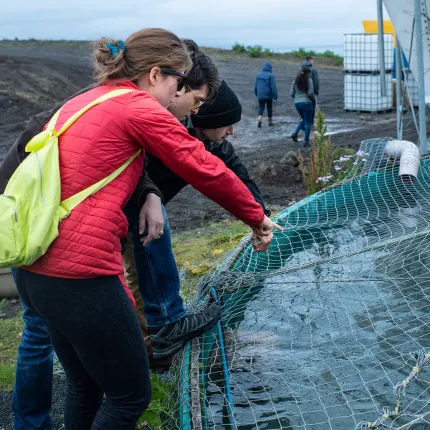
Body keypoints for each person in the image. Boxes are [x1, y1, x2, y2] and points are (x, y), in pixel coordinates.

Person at [6, 28, 279, 430]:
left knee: (85, 385)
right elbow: (203, 167)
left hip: (36, 271)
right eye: (178, 83)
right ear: (155, 74)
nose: (177, 94)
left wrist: (149, 193)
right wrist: (257, 217)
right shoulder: (138, 107)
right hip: (80, 275)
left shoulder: (85, 101)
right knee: (131, 396)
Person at [127, 79, 272, 362]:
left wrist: (260, 216)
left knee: (147, 272)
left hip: (151, 207)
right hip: (134, 207)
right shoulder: (174, 134)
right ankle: (152, 352)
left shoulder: (215, 143)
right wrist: (150, 195)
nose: (232, 131)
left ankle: (154, 343)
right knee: (141, 276)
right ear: (205, 118)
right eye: (228, 123)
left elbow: (239, 175)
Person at [290, 67, 314, 148]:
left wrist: (297, 99)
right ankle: (306, 142)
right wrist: (312, 100)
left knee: (304, 119)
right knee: (308, 122)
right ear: (308, 73)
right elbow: (310, 94)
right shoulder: (309, 81)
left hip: (297, 104)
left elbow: (292, 93)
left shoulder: (295, 81)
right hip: (307, 103)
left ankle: (295, 134)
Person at [254, 61, 278, 128]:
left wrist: (256, 93)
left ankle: (259, 120)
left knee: (261, 107)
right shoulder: (271, 75)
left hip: (260, 95)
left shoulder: (258, 75)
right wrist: (275, 95)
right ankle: (270, 121)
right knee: (269, 107)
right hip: (268, 95)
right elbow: (273, 87)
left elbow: (256, 86)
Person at [301, 56, 320, 123]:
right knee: (312, 106)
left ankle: (303, 118)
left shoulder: (301, 69)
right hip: (312, 91)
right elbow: (316, 81)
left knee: (304, 105)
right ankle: (311, 121)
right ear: (310, 61)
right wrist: (316, 91)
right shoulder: (313, 69)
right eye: (312, 60)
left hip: (302, 91)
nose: (313, 62)